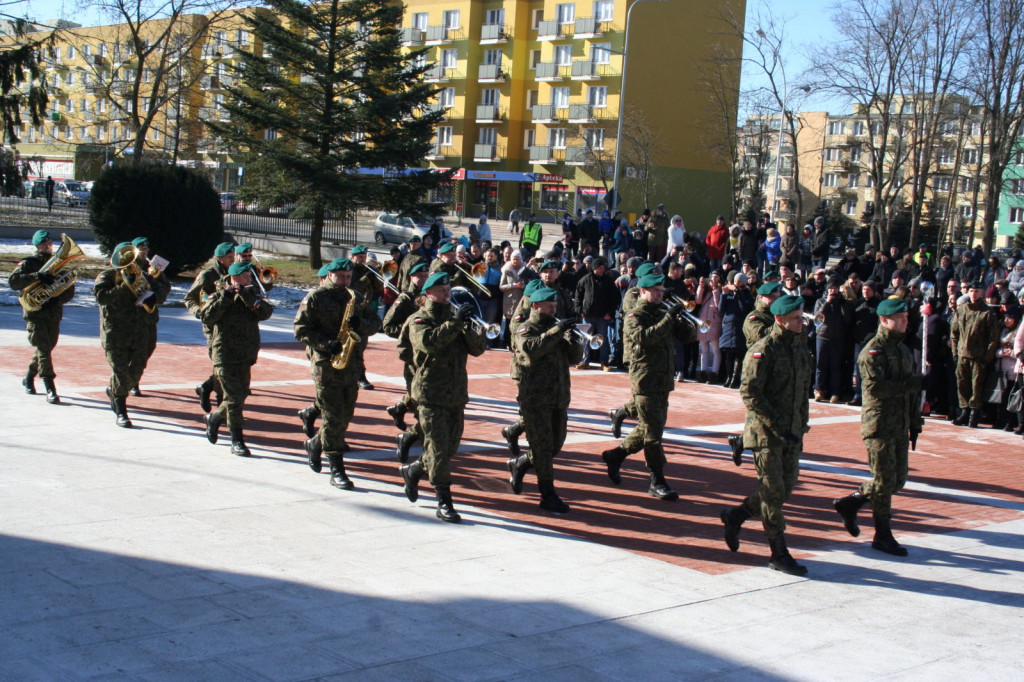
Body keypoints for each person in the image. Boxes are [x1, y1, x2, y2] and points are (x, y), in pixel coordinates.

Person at [719, 295, 813, 576]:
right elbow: (750, 392)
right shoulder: (764, 350)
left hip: (791, 433)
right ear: (781, 320)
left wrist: (800, 425)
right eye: (796, 318)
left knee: (784, 489)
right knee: (773, 494)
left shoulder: (799, 349)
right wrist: (777, 426)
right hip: (766, 434)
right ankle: (778, 552)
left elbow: (802, 394)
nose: (802, 322)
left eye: (802, 317)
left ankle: (735, 515)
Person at [832, 298, 923, 556]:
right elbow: (875, 389)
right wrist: (913, 385)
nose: (906, 321)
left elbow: (910, 394)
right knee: (883, 482)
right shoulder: (873, 351)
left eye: (906, 317)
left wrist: (915, 422)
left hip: (900, 423)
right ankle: (883, 534)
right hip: (880, 424)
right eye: (900, 318)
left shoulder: (903, 349)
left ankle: (852, 502)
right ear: (885, 320)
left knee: (897, 480)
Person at [398, 272, 487, 523]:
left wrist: (470, 325)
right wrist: (455, 324)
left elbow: (478, 349)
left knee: (449, 448)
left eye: (448, 288)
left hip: (456, 392)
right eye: (441, 290)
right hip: (430, 393)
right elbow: (428, 343)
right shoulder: (419, 319)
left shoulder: (456, 316)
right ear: (428, 293)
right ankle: (444, 501)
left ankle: (414, 469)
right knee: (437, 450)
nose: (447, 293)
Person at [600, 273, 697, 501]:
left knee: (649, 429)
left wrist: (682, 319)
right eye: (655, 291)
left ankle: (617, 455)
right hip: (644, 381)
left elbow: (689, 337)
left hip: (663, 381)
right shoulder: (636, 315)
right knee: (653, 435)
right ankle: (657, 480)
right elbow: (644, 337)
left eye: (661, 291)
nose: (659, 295)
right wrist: (667, 320)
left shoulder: (665, 312)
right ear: (642, 291)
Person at [294, 258, 379, 487]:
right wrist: (324, 344)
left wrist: (360, 323)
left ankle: (315, 444)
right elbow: (300, 329)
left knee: (344, 415)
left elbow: (376, 323)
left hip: (350, 363)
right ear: (330, 275)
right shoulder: (315, 297)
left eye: (348, 277)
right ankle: (337, 469)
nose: (344, 281)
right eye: (340, 276)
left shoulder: (356, 297)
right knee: (332, 417)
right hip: (325, 364)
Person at [506, 287, 584, 513]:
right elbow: (531, 351)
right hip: (535, 398)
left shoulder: (555, 328)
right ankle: (547, 494)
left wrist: (574, 340)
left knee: (554, 445)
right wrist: (557, 331)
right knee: (542, 448)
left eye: (555, 306)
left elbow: (574, 358)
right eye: (549, 306)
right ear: (536, 306)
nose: (553, 310)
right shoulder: (525, 329)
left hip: (558, 397)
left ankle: (521, 463)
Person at [195, 260, 274, 455]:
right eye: (245, 277)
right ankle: (237, 440)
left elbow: (266, 313)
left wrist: (249, 298)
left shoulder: (252, 293)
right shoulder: (218, 293)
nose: (249, 280)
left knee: (241, 395)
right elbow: (206, 316)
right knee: (233, 397)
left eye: (249, 277)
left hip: (246, 352)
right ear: (234, 278)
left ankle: (214, 419)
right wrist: (226, 298)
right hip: (225, 353)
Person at [93, 241, 169, 428]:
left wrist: (153, 295)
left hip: (139, 330)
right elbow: (101, 297)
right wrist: (125, 286)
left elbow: (162, 293)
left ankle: (115, 391)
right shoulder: (108, 275)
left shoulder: (143, 275)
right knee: (120, 371)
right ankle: (121, 410)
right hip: (116, 332)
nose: (131, 261)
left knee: (136, 371)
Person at [9, 229, 74, 404]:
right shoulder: (29, 263)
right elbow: (13, 282)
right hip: (35, 314)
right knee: (44, 349)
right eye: (44, 243)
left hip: (53, 313)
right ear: (37, 245)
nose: (48, 245)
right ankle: (50, 387)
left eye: (49, 242)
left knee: (46, 348)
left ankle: (29, 376)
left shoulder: (59, 264)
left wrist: (56, 298)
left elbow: (69, 289)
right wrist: (37, 276)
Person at [727, 281, 782, 465]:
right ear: (761, 298)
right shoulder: (754, 318)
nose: (775, 300)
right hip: (759, 371)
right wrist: (782, 322)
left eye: (777, 297)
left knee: (767, 415)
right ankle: (751, 446)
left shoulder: (777, 316)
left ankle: (741, 442)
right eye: (772, 297)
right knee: (760, 414)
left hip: (777, 370)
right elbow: (763, 337)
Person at [384, 262, 431, 463]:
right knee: (421, 398)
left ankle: (401, 409)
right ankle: (417, 433)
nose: (422, 278)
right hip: (413, 357)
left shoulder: (431, 296)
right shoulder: (405, 298)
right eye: (418, 276)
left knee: (420, 395)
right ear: (411, 277)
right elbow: (387, 325)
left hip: (429, 356)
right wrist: (409, 332)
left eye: (425, 275)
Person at [186, 241, 237, 413]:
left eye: (233, 256)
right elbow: (190, 298)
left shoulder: (235, 273)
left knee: (227, 367)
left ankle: (206, 387)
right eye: (229, 257)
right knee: (220, 366)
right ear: (220, 258)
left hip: (232, 326)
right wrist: (199, 312)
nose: (233, 260)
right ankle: (220, 404)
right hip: (213, 327)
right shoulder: (208, 275)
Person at [950, 281, 1001, 427]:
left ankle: (974, 413)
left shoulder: (987, 312)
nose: (973, 293)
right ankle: (964, 411)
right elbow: (954, 333)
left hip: (979, 356)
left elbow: (993, 338)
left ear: (982, 292)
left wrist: (987, 356)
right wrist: (955, 351)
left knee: (976, 386)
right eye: (971, 291)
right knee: (962, 383)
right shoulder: (962, 310)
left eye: (976, 291)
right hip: (962, 354)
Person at [128, 237, 171, 397]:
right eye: (141, 248)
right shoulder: (127, 266)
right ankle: (132, 381)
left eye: (146, 248)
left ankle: (133, 377)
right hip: (132, 316)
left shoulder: (153, 267)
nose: (144, 251)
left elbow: (166, 288)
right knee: (134, 350)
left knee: (149, 347)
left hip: (149, 315)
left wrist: (154, 283)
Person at [813, 277, 854, 402]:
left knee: (836, 366)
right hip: (822, 336)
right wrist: (827, 303)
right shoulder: (820, 301)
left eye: (835, 289)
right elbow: (818, 317)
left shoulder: (844, 303)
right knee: (821, 365)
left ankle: (835, 392)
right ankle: (818, 390)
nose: (832, 291)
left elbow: (848, 320)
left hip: (838, 338)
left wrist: (841, 303)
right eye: (830, 288)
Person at [574, 256, 620, 370]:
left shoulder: (608, 280)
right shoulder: (585, 279)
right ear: (594, 268)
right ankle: (585, 360)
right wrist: (580, 310)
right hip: (587, 314)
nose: (601, 270)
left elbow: (615, 298)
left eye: (603, 268)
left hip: (603, 315)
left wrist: (610, 312)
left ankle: (604, 362)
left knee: (602, 339)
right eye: (599, 268)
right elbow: (578, 295)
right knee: (586, 338)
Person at [349, 245, 382, 391]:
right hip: (352, 311)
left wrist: (375, 275)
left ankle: (357, 375)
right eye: (360, 257)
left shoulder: (367, 270)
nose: (362, 260)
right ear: (353, 257)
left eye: (364, 257)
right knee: (355, 347)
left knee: (361, 346)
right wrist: (366, 277)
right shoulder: (350, 270)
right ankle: (359, 376)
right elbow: (353, 288)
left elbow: (380, 288)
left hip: (365, 310)